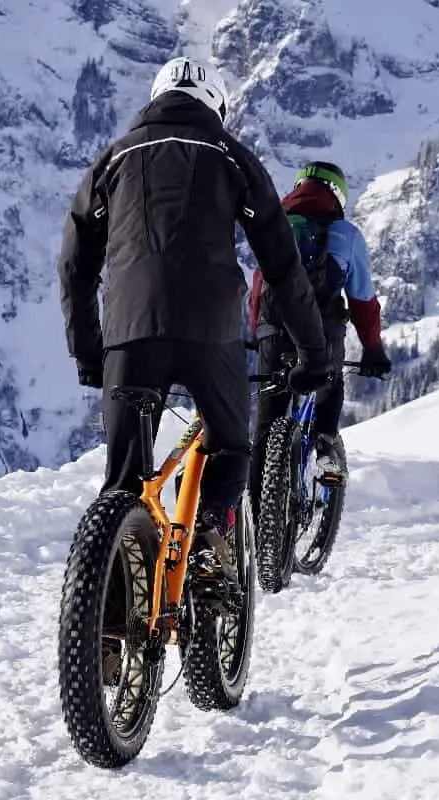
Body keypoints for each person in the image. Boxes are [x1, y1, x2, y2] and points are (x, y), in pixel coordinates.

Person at [55, 55, 333, 595]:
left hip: (129, 332)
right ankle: (209, 537)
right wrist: (314, 353)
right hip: (211, 331)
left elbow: (74, 264)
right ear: (217, 108)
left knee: (124, 483)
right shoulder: (232, 156)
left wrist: (89, 351)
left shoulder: (111, 160)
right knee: (230, 445)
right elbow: (282, 269)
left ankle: (112, 618)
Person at [248, 161, 393, 487]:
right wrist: (373, 349)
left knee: (267, 422)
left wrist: (257, 333)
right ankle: (326, 442)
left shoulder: (275, 227)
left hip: (273, 331)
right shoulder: (346, 235)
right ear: (337, 195)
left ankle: (254, 519)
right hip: (323, 333)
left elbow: (258, 288)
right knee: (330, 386)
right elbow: (363, 302)